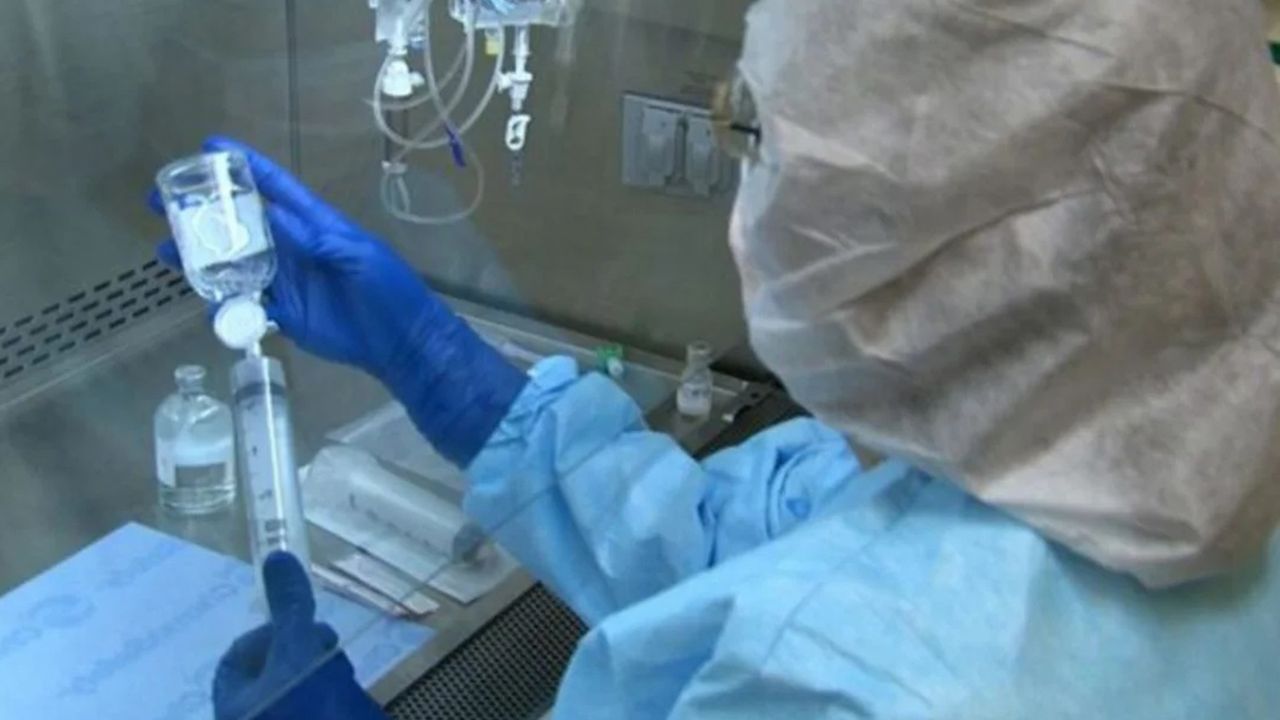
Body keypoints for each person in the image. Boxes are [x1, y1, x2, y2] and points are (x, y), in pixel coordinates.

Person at [160, 1, 1280, 717]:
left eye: (764, 138)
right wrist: (437, 366)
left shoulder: (830, 686)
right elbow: (733, 543)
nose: (753, 189)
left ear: (943, 227)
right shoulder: (1154, 452)